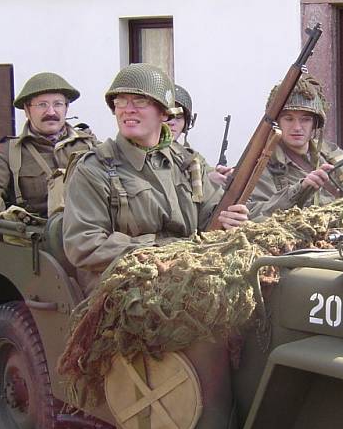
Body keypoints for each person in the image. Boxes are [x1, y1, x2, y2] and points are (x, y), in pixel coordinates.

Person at [62, 63, 248, 294]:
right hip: (123, 285)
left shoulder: (187, 162)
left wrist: (229, 219)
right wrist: (168, 249)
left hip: (185, 276)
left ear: (163, 112)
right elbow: (85, 245)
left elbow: (211, 216)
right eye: (120, 101)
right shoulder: (94, 168)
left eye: (140, 101)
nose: (128, 109)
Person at [0, 72, 96, 221]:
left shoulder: (89, 144)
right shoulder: (9, 151)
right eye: (42, 105)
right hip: (38, 237)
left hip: (89, 232)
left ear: (66, 108)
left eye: (58, 104)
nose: (51, 112)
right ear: (27, 110)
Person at [247, 75, 343, 221]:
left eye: (305, 119)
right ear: (277, 123)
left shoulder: (332, 154)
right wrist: (299, 190)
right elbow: (253, 214)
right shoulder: (262, 163)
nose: (297, 127)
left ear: (315, 124)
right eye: (289, 119)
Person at [168, 83, 233, 187]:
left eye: (178, 117)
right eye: (166, 115)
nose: (171, 122)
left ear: (186, 123)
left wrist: (222, 174)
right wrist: (205, 180)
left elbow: (206, 170)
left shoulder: (188, 155)